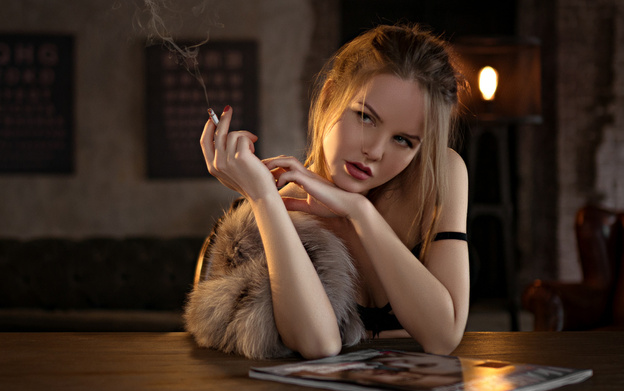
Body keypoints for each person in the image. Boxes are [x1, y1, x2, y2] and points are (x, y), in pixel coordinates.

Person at [184, 23, 470, 360]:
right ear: (330, 96)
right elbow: (319, 344)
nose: (376, 151)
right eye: (365, 117)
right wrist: (264, 199)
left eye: (403, 140)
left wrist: (359, 212)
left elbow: (443, 337)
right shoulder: (282, 209)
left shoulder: (438, 175)